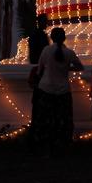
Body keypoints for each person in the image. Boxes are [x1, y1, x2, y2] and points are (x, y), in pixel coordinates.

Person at [35, 27, 83, 152]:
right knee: (62, 120)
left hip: (46, 88)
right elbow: (80, 67)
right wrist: (67, 68)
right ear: (64, 38)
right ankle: (62, 145)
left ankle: (46, 146)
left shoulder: (46, 50)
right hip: (63, 89)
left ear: (51, 38)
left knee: (46, 119)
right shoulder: (69, 52)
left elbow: (39, 69)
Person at [27, 14, 51, 145]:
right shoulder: (39, 35)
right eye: (44, 21)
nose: (46, 23)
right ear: (40, 22)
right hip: (40, 71)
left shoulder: (37, 34)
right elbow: (38, 54)